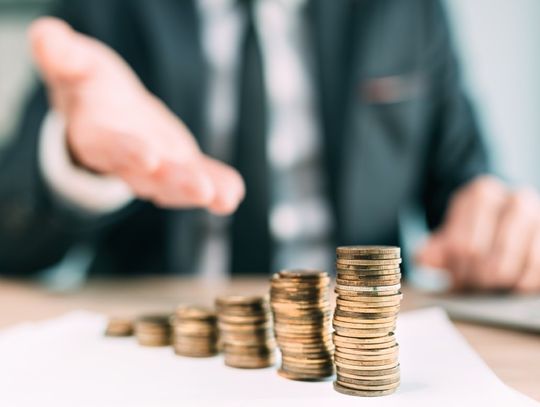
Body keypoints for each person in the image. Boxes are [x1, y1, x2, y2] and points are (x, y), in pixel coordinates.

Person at [0, 0, 539, 291]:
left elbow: (466, 181)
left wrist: (500, 225)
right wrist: (77, 160)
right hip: (159, 344)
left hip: (365, 346)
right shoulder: (109, 9)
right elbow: (10, 233)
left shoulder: (404, 10)